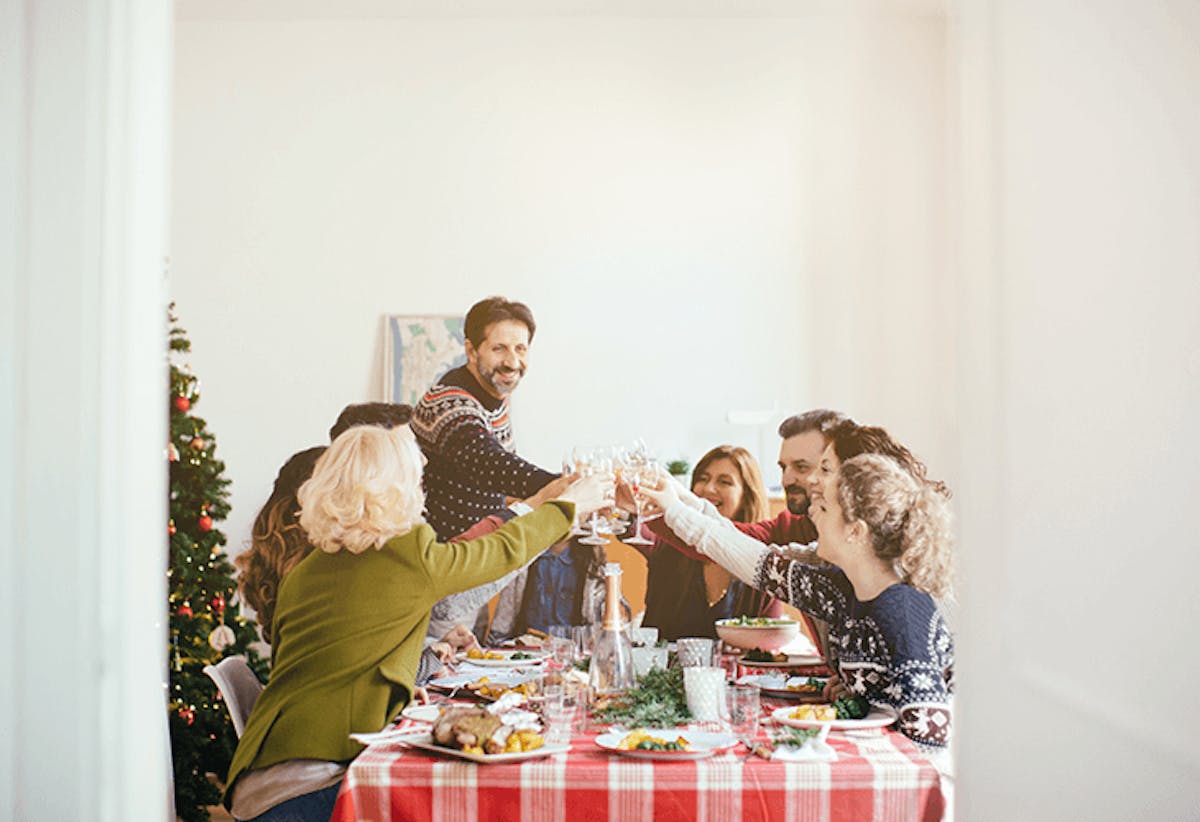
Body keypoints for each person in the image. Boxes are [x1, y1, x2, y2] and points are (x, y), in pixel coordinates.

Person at [224, 426, 609, 821]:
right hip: (310, 788)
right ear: (394, 488)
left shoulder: (311, 566)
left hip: (264, 777)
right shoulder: (404, 553)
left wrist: (397, 687)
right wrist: (567, 508)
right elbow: (501, 552)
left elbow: (341, 660)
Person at [643, 453, 954, 750]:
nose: (812, 513)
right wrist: (676, 500)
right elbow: (748, 554)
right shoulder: (838, 588)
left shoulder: (902, 610)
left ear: (856, 533)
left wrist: (674, 508)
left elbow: (928, 735)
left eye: (824, 508)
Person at [411, 296, 558, 540]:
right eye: (499, 349)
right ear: (471, 351)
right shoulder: (448, 403)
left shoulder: (493, 393)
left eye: (520, 349)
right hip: (443, 555)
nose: (512, 362)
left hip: (478, 550)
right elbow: (490, 463)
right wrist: (566, 485)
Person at [633, 445, 782, 641]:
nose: (709, 488)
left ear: (747, 496)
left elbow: (770, 640)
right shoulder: (669, 541)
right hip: (661, 669)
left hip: (736, 672)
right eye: (703, 479)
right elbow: (636, 528)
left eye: (725, 482)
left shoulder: (763, 559)